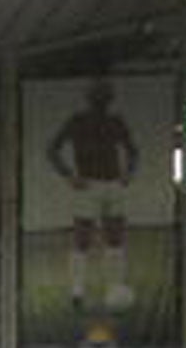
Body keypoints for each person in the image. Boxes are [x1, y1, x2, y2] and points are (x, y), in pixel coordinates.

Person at [45, 78, 140, 315]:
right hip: (87, 184)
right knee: (82, 237)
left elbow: (132, 151)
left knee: (115, 236)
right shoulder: (77, 121)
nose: (102, 100)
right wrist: (69, 175)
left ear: (110, 99)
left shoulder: (116, 122)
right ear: (90, 98)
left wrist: (128, 172)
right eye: (98, 95)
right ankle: (77, 291)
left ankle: (114, 288)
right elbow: (52, 150)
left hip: (112, 183)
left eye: (105, 95)